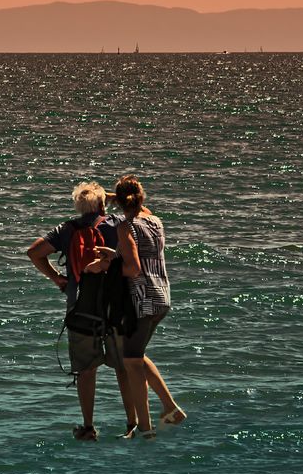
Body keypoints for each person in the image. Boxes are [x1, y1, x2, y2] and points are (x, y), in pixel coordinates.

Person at [26, 182, 130, 441]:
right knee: (124, 367)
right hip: (115, 307)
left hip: (80, 308)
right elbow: (145, 213)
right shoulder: (116, 223)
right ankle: (132, 423)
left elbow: (34, 252)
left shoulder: (66, 229)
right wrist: (113, 197)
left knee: (86, 370)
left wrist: (58, 279)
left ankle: (88, 427)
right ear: (102, 203)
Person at [110, 175, 186, 439]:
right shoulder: (154, 221)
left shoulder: (124, 227)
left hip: (141, 300)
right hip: (161, 296)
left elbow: (132, 268)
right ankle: (169, 409)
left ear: (119, 202)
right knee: (137, 356)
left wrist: (109, 263)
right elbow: (141, 216)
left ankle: (145, 429)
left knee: (131, 361)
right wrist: (118, 199)